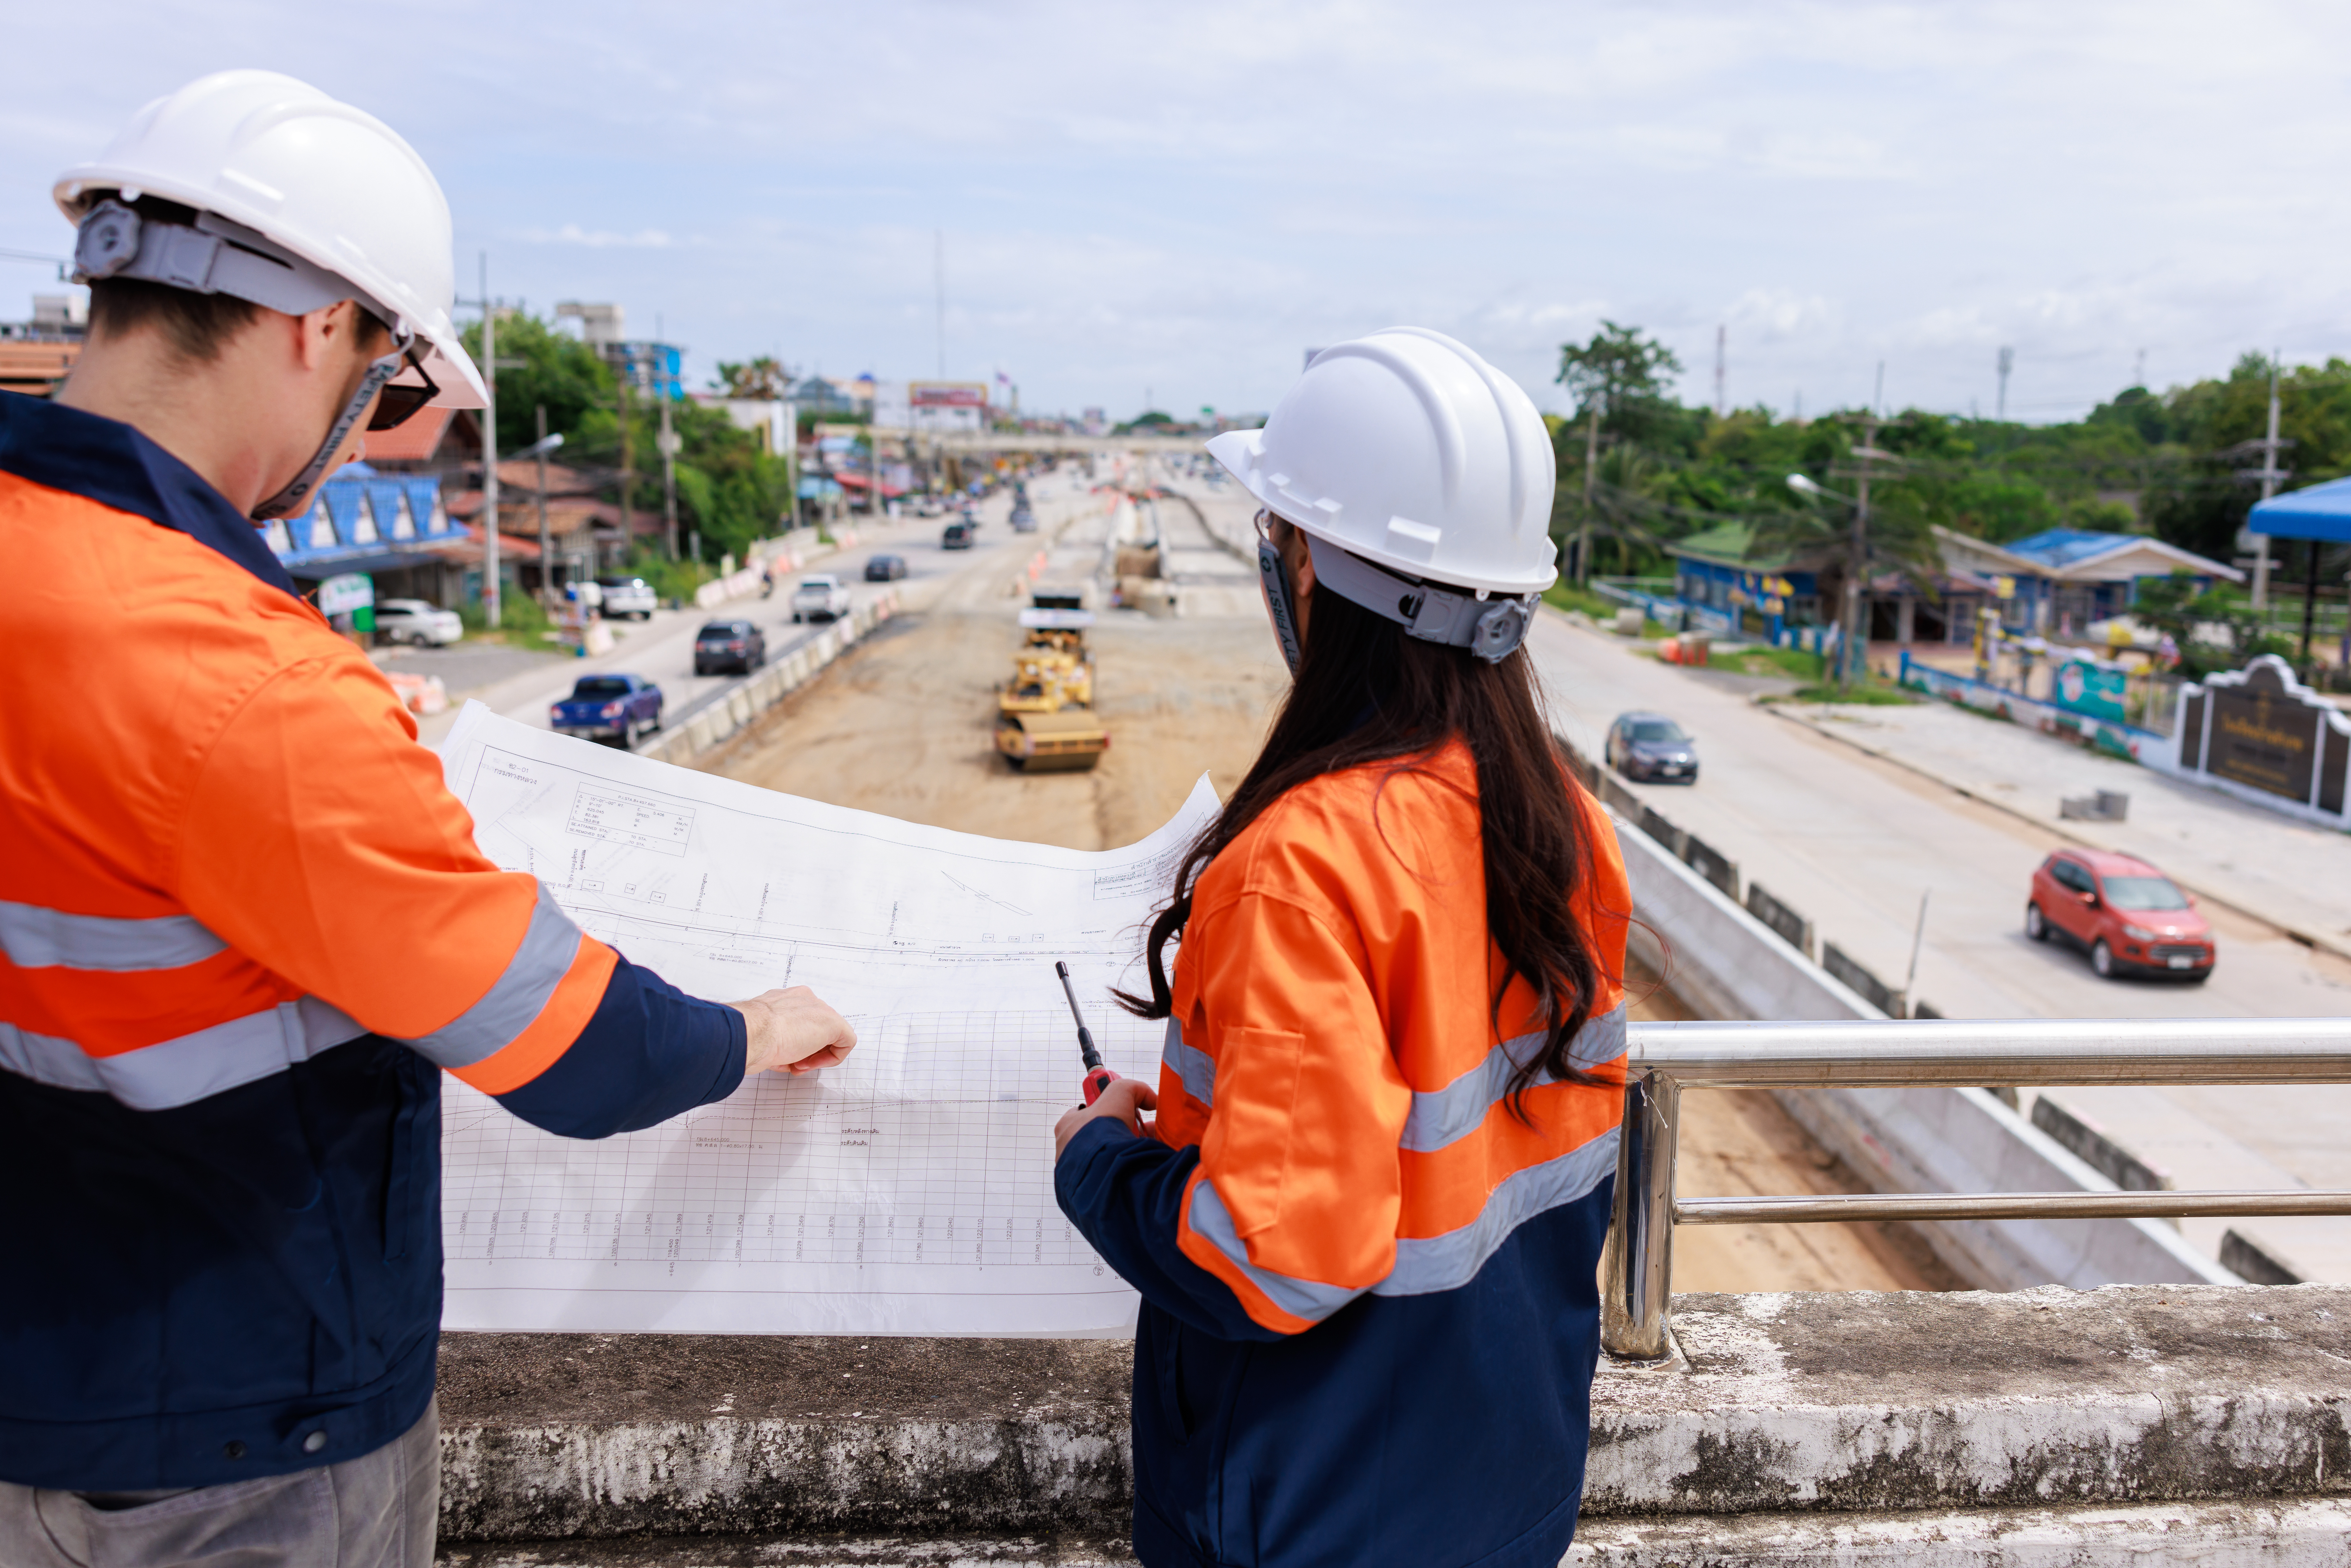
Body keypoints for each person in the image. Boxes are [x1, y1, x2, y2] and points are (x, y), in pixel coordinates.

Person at [0, 72, 855, 1566]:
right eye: (391, 388)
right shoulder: (242, 682)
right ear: (316, 325)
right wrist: (754, 1027)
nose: (369, 425)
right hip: (231, 1439)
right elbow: (574, 1052)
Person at [1053, 328, 1632, 1568]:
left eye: (1281, 531)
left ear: (1312, 566)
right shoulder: (1565, 824)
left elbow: (1274, 1261)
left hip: (1308, 1519)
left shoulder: (1301, 865)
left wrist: (1098, 1159)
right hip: (1506, 1490)